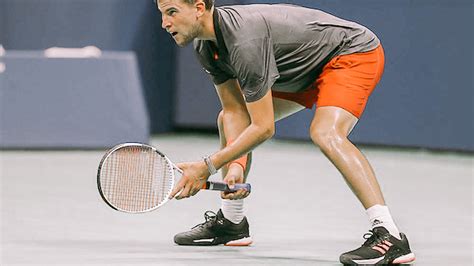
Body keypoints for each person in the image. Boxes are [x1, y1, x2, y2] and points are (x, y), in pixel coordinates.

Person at [156, 0, 415, 264]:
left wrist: (208, 166)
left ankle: (389, 234)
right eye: (162, 14)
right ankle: (232, 222)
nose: (165, 23)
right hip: (303, 67)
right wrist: (235, 166)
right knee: (227, 118)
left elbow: (264, 127)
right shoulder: (205, 46)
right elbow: (235, 111)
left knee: (326, 133)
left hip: (351, 53)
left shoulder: (244, 42)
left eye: (172, 12)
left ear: (199, 8)